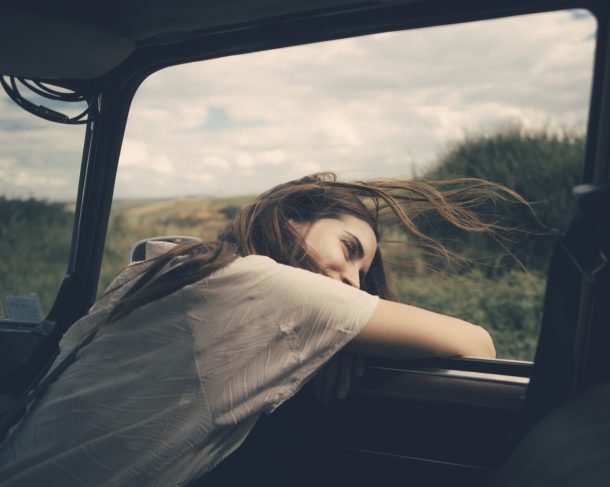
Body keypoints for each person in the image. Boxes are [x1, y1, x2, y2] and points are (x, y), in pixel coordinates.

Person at [0, 172, 522, 486]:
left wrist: (335, 338)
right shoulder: (259, 285)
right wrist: (340, 329)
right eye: (348, 250)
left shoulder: (185, 268)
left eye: (363, 276)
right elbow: (477, 343)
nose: (354, 283)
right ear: (293, 217)